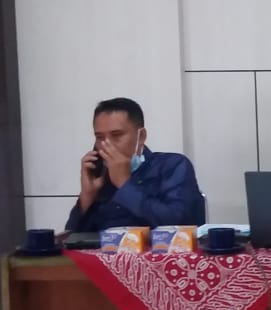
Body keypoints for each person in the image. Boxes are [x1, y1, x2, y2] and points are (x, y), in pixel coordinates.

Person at [66, 98, 206, 231]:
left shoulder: (172, 166)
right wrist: (86, 197)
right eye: (100, 137)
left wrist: (125, 184)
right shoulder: (101, 177)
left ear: (142, 136)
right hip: (106, 248)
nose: (106, 145)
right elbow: (70, 239)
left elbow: (181, 224)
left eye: (117, 135)